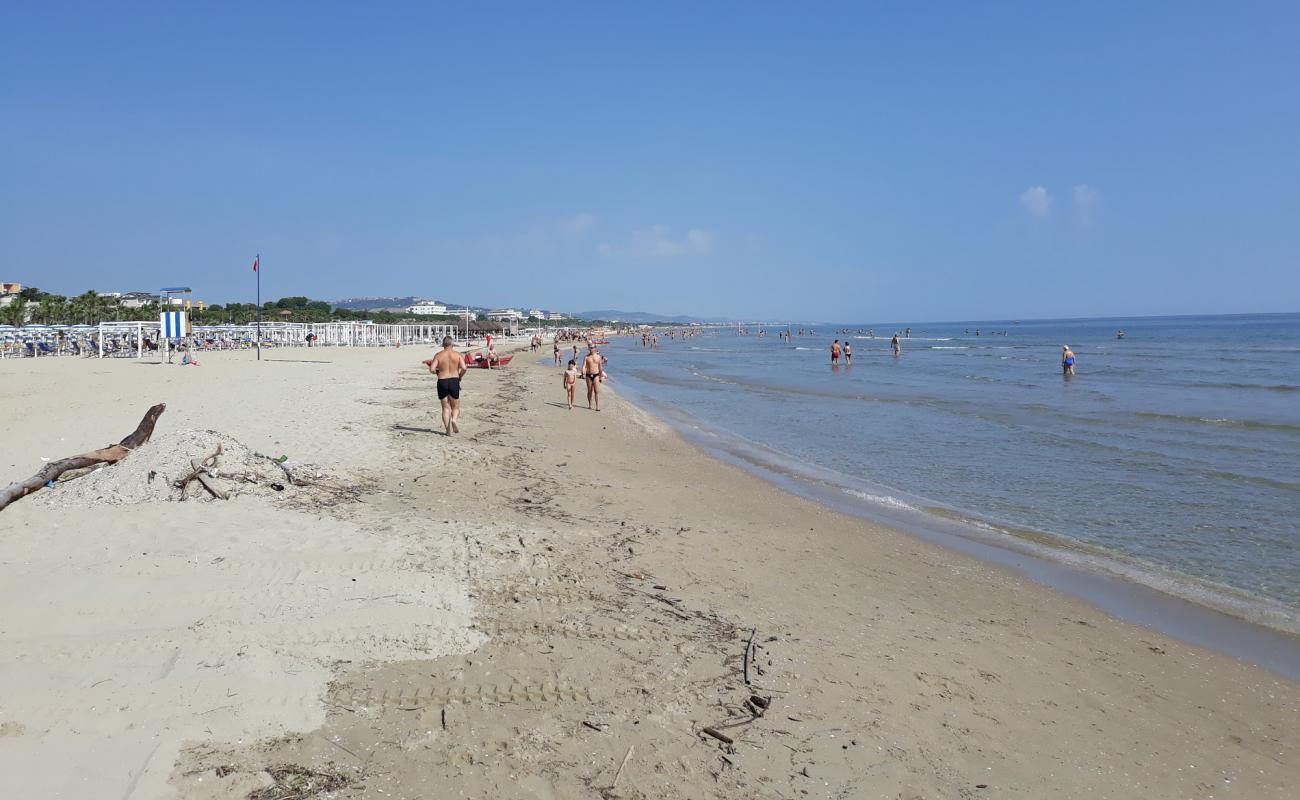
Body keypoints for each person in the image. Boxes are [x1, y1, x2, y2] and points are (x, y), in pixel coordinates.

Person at [424, 336, 467, 434]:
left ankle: (448, 431)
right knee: (455, 407)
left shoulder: (438, 355)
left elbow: (431, 369)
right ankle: (454, 420)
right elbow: (464, 368)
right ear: (452, 344)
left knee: (445, 407)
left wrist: (437, 372)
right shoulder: (458, 355)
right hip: (454, 380)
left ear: (443, 345)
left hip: (442, 381)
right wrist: (460, 376)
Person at [582, 344, 606, 411]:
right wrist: (582, 372)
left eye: (592, 348)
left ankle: (597, 406)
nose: (591, 349)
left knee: (596, 391)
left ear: (595, 348)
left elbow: (600, 367)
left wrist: (601, 377)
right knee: (589, 391)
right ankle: (590, 404)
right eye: (590, 348)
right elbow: (584, 366)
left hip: (596, 375)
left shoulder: (598, 357)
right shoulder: (586, 357)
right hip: (588, 375)